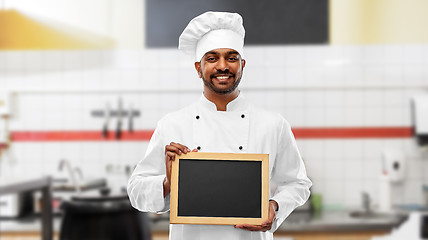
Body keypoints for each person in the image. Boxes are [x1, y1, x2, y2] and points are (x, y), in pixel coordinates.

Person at [128, 11, 312, 240]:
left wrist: (275, 206)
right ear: (198, 68)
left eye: (231, 58)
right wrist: (168, 182)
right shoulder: (172, 124)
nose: (222, 66)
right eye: (212, 58)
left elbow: (298, 183)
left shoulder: (273, 125)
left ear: (242, 65)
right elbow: (136, 192)